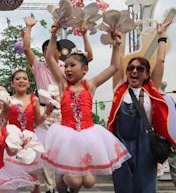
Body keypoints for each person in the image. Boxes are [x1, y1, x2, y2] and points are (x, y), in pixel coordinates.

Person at [42, 22, 130, 193]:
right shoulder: (62, 84)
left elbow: (114, 67)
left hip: (88, 134)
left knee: (88, 182)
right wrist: (54, 35)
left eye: (72, 65)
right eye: (66, 66)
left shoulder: (90, 85)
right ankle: (60, 183)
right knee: (73, 182)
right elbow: (49, 59)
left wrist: (116, 46)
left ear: (85, 69)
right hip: (66, 134)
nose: (67, 69)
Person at [23, 16, 94, 192]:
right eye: (45, 49)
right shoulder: (38, 66)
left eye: (52, 48)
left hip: (66, 112)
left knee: (68, 150)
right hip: (46, 111)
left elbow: (88, 58)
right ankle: (49, 188)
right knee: (47, 150)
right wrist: (28, 28)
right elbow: (26, 48)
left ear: (59, 51)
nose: (49, 51)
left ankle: (67, 181)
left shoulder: (66, 68)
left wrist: (85, 36)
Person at [108, 21, 176, 193]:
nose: (134, 71)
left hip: (146, 147)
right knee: (123, 189)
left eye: (140, 68)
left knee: (146, 189)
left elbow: (160, 60)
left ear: (147, 74)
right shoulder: (119, 89)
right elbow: (116, 64)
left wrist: (161, 36)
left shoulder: (151, 90)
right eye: (131, 68)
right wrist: (119, 41)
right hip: (120, 147)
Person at [5, 69, 45, 193]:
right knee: (12, 180)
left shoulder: (34, 99)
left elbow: (38, 121)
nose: (21, 81)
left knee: (34, 180)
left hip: (30, 141)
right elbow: (3, 121)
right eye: (17, 79)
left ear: (28, 83)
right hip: (12, 143)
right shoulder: (8, 100)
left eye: (24, 78)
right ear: (12, 83)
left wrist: (47, 113)